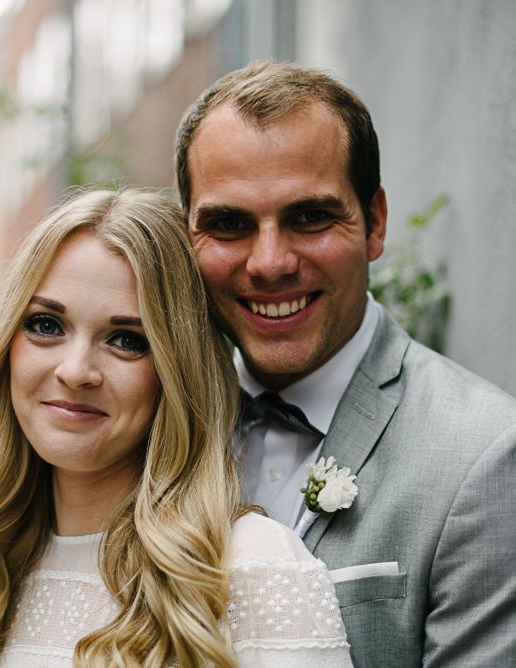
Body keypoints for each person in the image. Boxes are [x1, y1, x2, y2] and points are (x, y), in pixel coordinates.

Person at [0, 188, 353, 667]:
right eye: (45, 325)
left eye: (126, 340)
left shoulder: (253, 567)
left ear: (176, 371)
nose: (76, 370)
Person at [175, 60, 516, 667]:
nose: (270, 263)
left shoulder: (485, 457)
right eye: (229, 224)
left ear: (375, 223)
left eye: (309, 217)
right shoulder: (154, 429)